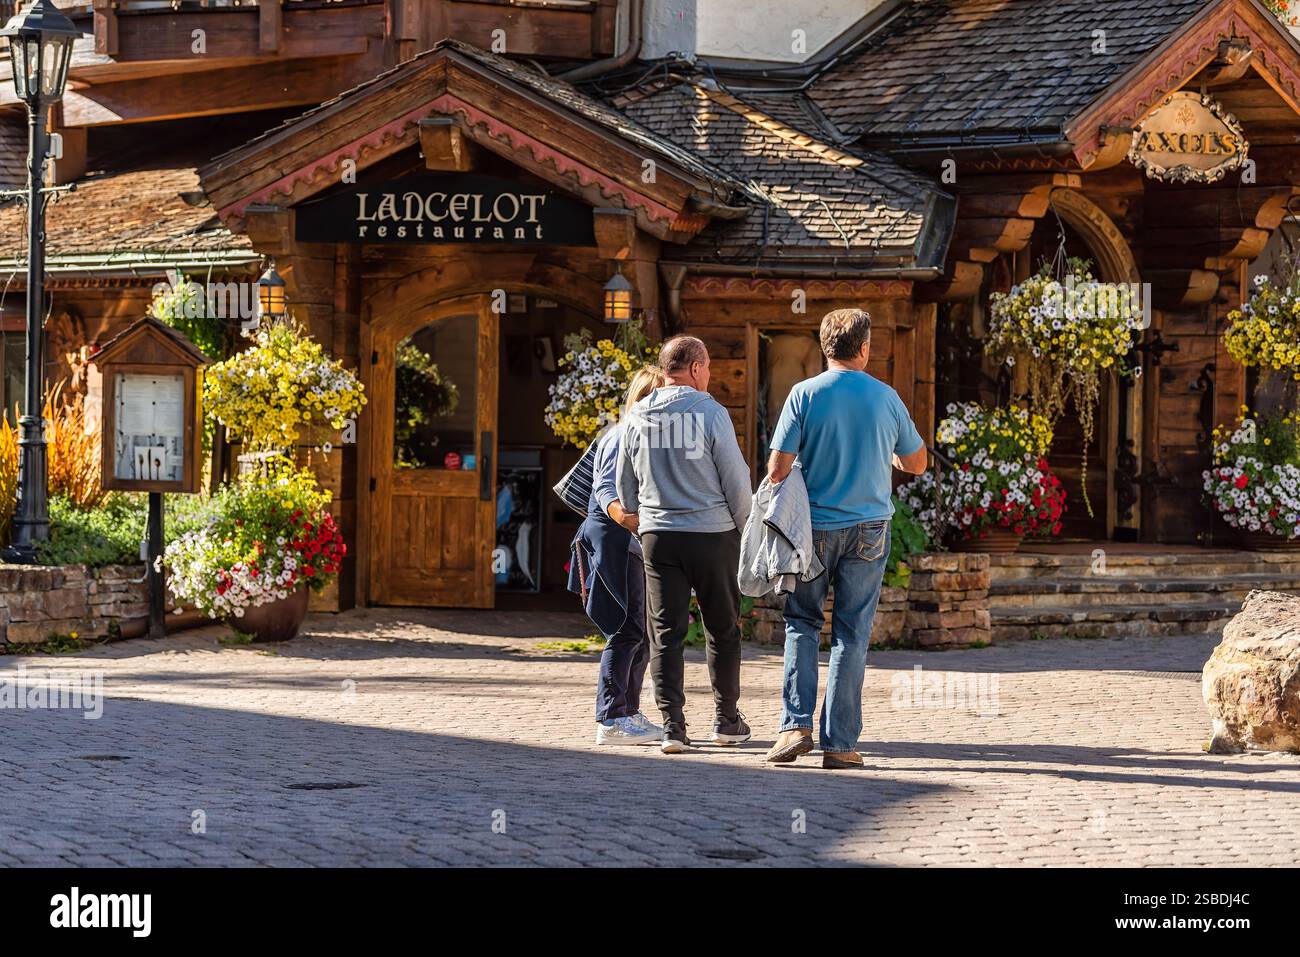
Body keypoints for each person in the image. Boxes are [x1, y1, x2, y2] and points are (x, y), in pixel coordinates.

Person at [764, 309, 929, 769]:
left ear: (825, 348)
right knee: (852, 633)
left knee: (802, 623)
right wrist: (891, 461)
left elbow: (777, 469)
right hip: (869, 529)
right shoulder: (886, 398)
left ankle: (794, 727)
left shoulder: (803, 395)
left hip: (813, 529)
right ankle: (840, 745)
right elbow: (918, 462)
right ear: (864, 348)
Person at [617, 336, 753, 754]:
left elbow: (625, 483)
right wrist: (744, 527)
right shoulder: (712, 413)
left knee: (666, 633)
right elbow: (735, 481)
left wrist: (645, 519)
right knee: (723, 628)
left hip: (659, 536)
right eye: (708, 367)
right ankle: (726, 720)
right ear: (695, 368)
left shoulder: (637, 415)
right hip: (712, 534)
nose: (709, 376)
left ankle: (673, 726)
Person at [569, 366, 668, 746]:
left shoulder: (646, 437)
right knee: (625, 629)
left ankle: (627, 710)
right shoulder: (622, 434)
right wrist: (629, 520)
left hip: (630, 543)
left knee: (638, 632)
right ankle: (611, 717)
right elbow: (605, 486)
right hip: (615, 540)